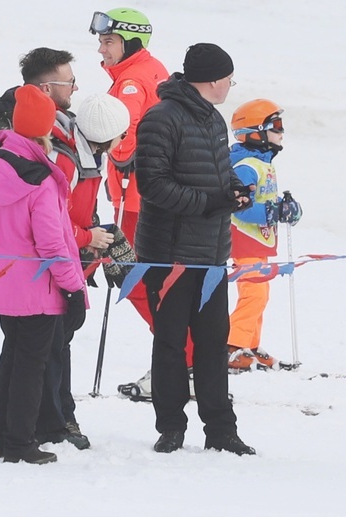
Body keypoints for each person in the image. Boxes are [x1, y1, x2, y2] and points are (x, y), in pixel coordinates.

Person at [134, 43, 255, 455]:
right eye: (229, 79)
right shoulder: (161, 117)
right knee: (169, 343)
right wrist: (208, 204)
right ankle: (171, 427)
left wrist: (234, 191)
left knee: (212, 343)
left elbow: (216, 174)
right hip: (170, 254)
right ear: (214, 79)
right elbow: (153, 185)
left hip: (211, 253)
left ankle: (221, 429)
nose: (229, 86)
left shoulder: (213, 120)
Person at [0, 84, 87, 465]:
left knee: (12, 356)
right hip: (38, 286)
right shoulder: (42, 179)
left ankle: (1, 436)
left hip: (0, 278)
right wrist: (73, 288)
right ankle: (19, 441)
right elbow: (53, 245)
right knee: (31, 365)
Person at [18, 47, 102, 450]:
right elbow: (48, 216)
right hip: (50, 262)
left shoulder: (64, 128)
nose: (75, 89)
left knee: (57, 341)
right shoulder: (42, 139)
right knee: (47, 345)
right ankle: (52, 421)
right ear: (47, 87)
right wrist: (88, 238)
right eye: (70, 82)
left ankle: (50, 416)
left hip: (70, 255)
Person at [89, 8, 170, 335]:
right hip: (152, 194)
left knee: (132, 276)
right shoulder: (152, 68)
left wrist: (114, 154)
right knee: (158, 278)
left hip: (135, 195)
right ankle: (185, 358)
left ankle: (181, 359)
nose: (101, 49)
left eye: (108, 41)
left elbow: (125, 129)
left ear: (132, 42)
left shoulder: (132, 80)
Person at [227, 99, 302, 372]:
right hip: (244, 242)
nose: (282, 132)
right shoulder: (245, 166)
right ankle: (233, 347)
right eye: (276, 126)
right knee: (254, 294)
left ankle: (250, 345)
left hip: (259, 243)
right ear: (255, 132)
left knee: (260, 293)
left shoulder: (262, 163)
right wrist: (273, 213)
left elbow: (266, 200)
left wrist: (287, 209)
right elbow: (240, 209)